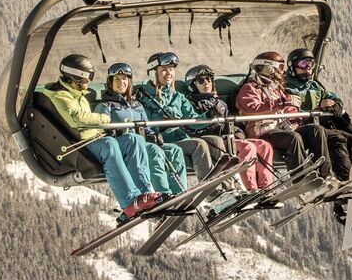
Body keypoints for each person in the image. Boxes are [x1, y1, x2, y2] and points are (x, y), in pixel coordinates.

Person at [42, 53, 163, 221]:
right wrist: (105, 119)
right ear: (74, 78)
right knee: (109, 144)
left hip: (93, 139)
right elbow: (77, 117)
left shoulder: (76, 94)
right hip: (79, 146)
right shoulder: (61, 96)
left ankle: (145, 195)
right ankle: (129, 201)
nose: (88, 83)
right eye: (86, 78)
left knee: (133, 140)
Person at [135, 51, 235, 183]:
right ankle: (211, 191)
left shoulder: (178, 97)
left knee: (215, 141)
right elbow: (143, 121)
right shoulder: (143, 96)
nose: (169, 73)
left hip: (183, 137)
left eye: (171, 69)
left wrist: (209, 115)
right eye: (164, 70)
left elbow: (193, 121)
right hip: (163, 140)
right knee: (198, 144)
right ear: (153, 73)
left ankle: (229, 185)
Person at [94, 62, 188, 197]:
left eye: (125, 79)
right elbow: (102, 130)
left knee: (174, 150)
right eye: (117, 79)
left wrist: (152, 135)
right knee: (154, 151)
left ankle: (179, 193)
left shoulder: (136, 105)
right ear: (110, 82)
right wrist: (115, 132)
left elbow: (146, 127)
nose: (122, 82)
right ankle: (163, 195)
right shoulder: (106, 106)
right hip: (126, 147)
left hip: (142, 143)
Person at [235, 51, 331, 178]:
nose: (282, 71)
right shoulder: (250, 88)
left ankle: (324, 175)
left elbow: (288, 109)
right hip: (263, 133)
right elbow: (249, 109)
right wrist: (278, 104)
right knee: (293, 137)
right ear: (268, 68)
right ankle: (302, 178)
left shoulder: (277, 88)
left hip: (282, 129)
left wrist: (295, 117)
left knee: (316, 131)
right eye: (280, 67)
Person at [284, 47, 352, 182]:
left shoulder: (314, 86)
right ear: (292, 67)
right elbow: (290, 111)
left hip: (317, 128)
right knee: (321, 133)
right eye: (302, 64)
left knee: (348, 139)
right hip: (300, 129)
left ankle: (348, 179)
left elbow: (331, 97)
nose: (307, 68)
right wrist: (319, 108)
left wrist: (335, 104)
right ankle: (322, 176)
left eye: (310, 64)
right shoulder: (287, 87)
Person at [183, 63, 275, 192]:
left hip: (229, 137)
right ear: (193, 85)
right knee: (247, 148)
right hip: (214, 140)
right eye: (201, 81)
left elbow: (231, 121)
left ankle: (266, 187)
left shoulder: (218, 102)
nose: (206, 83)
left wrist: (237, 132)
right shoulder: (191, 103)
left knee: (264, 146)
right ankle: (251, 188)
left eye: (209, 79)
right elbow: (193, 125)